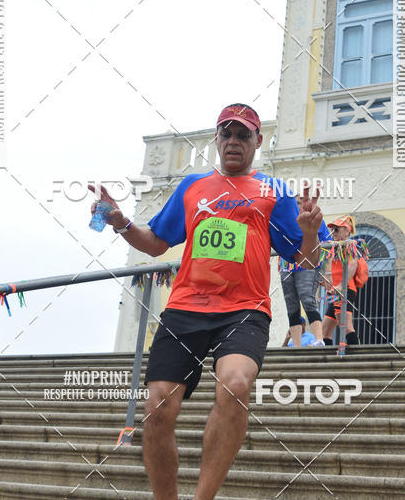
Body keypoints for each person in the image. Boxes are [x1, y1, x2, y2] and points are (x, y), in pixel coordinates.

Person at [90, 103, 324, 500]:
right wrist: (121, 222)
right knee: (158, 406)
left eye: (243, 134)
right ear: (216, 139)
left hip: (244, 310)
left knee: (235, 385)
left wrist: (310, 233)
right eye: (226, 133)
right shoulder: (192, 187)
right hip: (186, 308)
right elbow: (156, 243)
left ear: (257, 142)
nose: (233, 141)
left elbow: (305, 261)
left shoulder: (275, 192)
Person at [278, 203, 329, 347]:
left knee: (308, 300)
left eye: (300, 202)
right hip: (287, 265)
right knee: (291, 306)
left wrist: (328, 272)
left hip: (308, 265)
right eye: (294, 202)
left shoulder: (314, 218)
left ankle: (319, 339)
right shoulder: (285, 219)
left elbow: (327, 243)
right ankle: (296, 344)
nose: (296, 205)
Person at [321, 215, 360, 347]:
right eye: (332, 230)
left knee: (346, 327)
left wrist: (341, 285)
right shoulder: (334, 246)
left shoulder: (349, 245)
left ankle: (357, 356)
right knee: (325, 330)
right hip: (336, 291)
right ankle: (328, 357)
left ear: (347, 231)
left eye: (336, 229)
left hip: (344, 290)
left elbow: (353, 265)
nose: (333, 233)